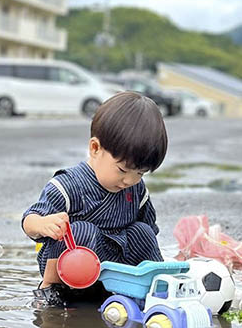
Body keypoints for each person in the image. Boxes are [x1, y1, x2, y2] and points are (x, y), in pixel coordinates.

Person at [22, 91, 168, 304]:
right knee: (82, 230)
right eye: (122, 170)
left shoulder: (136, 190)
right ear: (95, 148)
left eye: (140, 173)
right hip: (73, 264)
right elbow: (29, 221)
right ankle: (50, 289)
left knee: (143, 232)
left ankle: (156, 284)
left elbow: (149, 233)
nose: (129, 180)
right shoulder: (68, 185)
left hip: (115, 264)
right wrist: (44, 224)